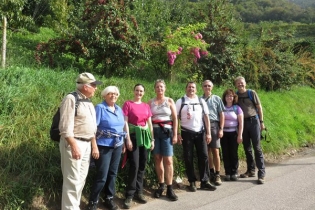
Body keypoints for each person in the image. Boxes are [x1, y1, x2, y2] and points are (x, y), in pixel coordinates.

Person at [59, 72, 102, 210]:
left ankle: (74, 207)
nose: (96, 88)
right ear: (85, 86)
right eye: (94, 85)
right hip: (74, 143)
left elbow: (91, 128)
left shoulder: (88, 101)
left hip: (87, 144)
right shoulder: (71, 99)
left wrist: (93, 145)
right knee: (72, 180)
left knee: (80, 180)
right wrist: (74, 146)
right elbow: (65, 127)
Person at [87, 86, 128, 210]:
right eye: (110, 94)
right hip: (103, 145)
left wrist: (124, 144)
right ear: (104, 95)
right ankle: (93, 201)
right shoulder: (100, 108)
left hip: (117, 145)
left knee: (113, 173)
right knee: (102, 174)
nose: (113, 96)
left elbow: (121, 128)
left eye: (115, 94)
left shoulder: (119, 109)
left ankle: (109, 198)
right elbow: (93, 128)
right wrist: (94, 146)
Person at [176, 82, 216, 192]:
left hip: (200, 132)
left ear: (196, 89)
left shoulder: (201, 101)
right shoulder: (180, 101)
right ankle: (192, 182)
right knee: (188, 158)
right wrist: (178, 133)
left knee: (204, 156)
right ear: (186, 89)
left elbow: (206, 117)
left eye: (193, 87)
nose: (191, 89)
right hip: (186, 133)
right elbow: (176, 119)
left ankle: (205, 181)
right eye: (189, 87)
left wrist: (208, 133)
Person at [122, 84, 154, 209]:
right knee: (134, 165)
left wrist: (152, 139)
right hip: (134, 137)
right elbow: (125, 122)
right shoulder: (128, 104)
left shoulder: (146, 106)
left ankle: (139, 192)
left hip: (145, 138)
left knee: (142, 164)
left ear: (144, 93)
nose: (139, 93)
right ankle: (129, 194)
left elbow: (149, 124)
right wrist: (128, 139)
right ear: (133, 91)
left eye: (141, 91)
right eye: (137, 90)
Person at [148, 79, 178, 201]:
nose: (159, 89)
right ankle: (161, 185)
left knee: (168, 160)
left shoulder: (169, 101)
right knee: (157, 158)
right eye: (157, 87)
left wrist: (175, 134)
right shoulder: (150, 102)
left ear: (164, 88)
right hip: (155, 132)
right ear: (154, 89)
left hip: (167, 132)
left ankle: (170, 188)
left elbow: (175, 119)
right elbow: (147, 118)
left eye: (161, 87)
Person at [234, 76, 266, 184]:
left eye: (241, 83)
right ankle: (251, 170)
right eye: (238, 83)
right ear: (235, 85)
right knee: (247, 147)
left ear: (245, 83)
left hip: (254, 122)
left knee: (257, 147)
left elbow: (259, 107)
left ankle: (261, 173)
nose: (240, 85)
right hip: (243, 123)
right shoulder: (236, 95)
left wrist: (261, 122)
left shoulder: (251, 93)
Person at [201, 80, 225, 186]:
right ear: (202, 87)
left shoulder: (217, 99)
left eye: (209, 86)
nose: (207, 87)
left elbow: (222, 114)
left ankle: (217, 174)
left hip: (214, 125)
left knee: (215, 150)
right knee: (207, 151)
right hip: (202, 126)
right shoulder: (199, 99)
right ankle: (210, 171)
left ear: (212, 87)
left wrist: (221, 128)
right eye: (205, 86)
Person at [221, 89, 244, 181]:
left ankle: (234, 172)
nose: (229, 98)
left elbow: (241, 123)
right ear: (225, 97)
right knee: (225, 153)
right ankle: (227, 172)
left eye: (231, 96)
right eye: (227, 96)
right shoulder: (222, 107)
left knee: (233, 153)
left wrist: (240, 135)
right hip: (224, 134)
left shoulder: (237, 108)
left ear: (234, 97)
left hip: (234, 133)